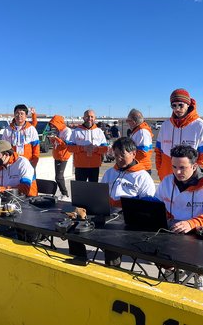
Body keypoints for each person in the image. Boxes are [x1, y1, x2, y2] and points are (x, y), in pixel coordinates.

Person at [70, 137, 156, 265]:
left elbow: (147, 207)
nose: (119, 159)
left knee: (111, 242)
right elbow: (99, 195)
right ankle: (80, 260)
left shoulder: (143, 177)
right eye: (116, 155)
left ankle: (112, 270)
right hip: (104, 214)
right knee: (73, 228)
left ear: (133, 154)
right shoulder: (110, 172)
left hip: (125, 220)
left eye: (122, 155)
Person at [155, 145, 203, 292]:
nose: (177, 172)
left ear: (194, 166)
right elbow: (157, 206)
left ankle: (199, 275)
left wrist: (192, 223)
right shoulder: (167, 181)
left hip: (199, 234)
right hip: (172, 231)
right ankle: (169, 269)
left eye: (182, 167)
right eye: (174, 167)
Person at [155, 88, 203, 181]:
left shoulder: (199, 125)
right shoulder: (165, 125)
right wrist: (160, 170)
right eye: (174, 106)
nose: (177, 109)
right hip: (166, 178)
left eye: (181, 105)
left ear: (188, 104)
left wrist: (195, 175)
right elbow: (158, 151)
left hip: (188, 179)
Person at [64, 109, 108, 182]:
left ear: (95, 118)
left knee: (93, 189)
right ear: (83, 118)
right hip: (80, 166)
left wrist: (96, 149)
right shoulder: (76, 131)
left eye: (91, 117)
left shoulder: (99, 132)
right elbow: (69, 148)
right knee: (80, 189)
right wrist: (82, 148)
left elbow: (105, 148)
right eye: (87, 116)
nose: (89, 119)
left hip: (94, 166)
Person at [1, 104, 40, 169]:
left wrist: (34, 163)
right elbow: (3, 147)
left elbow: (36, 147)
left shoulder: (31, 129)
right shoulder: (8, 129)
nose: (19, 116)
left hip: (28, 163)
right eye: (17, 113)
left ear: (26, 116)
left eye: (22, 113)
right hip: (12, 163)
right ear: (14, 114)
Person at [48, 115, 72, 200]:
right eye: (52, 125)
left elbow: (66, 144)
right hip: (57, 155)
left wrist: (56, 138)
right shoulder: (58, 131)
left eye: (54, 124)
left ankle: (65, 194)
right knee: (58, 177)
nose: (53, 126)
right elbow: (57, 144)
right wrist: (52, 140)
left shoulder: (67, 130)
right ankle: (64, 193)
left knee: (59, 177)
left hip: (63, 156)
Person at [126, 109, 154, 173]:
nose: (127, 123)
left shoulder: (142, 132)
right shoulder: (137, 131)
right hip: (137, 166)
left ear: (133, 122)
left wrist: (127, 156)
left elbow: (143, 152)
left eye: (128, 121)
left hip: (141, 168)